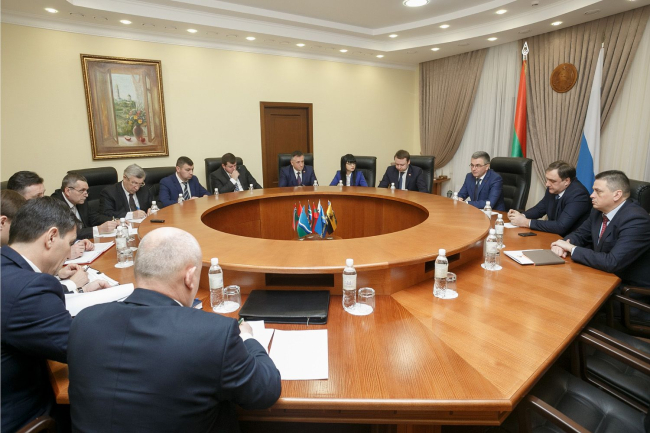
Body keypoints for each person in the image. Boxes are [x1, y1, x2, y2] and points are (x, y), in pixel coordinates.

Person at [67, 227, 282, 432]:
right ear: (189, 277)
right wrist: (247, 338)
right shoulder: (213, 334)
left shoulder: (84, 322)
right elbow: (265, 391)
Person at [1, 197, 109, 433]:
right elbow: (80, 347)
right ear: (51, 237)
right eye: (70, 243)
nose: (70, 252)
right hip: (22, 417)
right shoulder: (29, 287)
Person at [551, 170, 650, 287]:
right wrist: (562, 245)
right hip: (600, 274)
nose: (591, 195)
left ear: (617, 195)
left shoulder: (636, 219)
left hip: (625, 286)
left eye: (598, 191)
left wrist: (572, 248)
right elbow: (580, 234)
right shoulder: (597, 211)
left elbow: (612, 262)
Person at [508, 161, 591, 236]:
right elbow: (539, 209)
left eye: (552, 181)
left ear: (566, 181)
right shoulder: (553, 188)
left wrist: (526, 222)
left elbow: (561, 226)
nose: (547, 184)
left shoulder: (578, 195)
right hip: (554, 236)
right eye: (547, 179)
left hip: (571, 241)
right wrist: (520, 216)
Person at [51, 173, 118, 239]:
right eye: (82, 190)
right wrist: (99, 229)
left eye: (86, 190)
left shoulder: (80, 199)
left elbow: (94, 218)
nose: (86, 195)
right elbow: (70, 233)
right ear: (68, 191)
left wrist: (115, 221)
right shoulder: (56, 205)